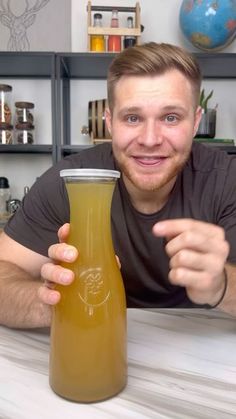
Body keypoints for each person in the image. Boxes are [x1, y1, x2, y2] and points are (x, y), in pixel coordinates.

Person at [0, 42, 235, 329]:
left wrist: (222, 285)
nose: (150, 140)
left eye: (170, 117)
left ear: (196, 121)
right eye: (133, 118)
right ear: (110, 122)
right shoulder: (68, 182)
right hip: (94, 342)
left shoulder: (227, 181)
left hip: (203, 351)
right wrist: (46, 301)